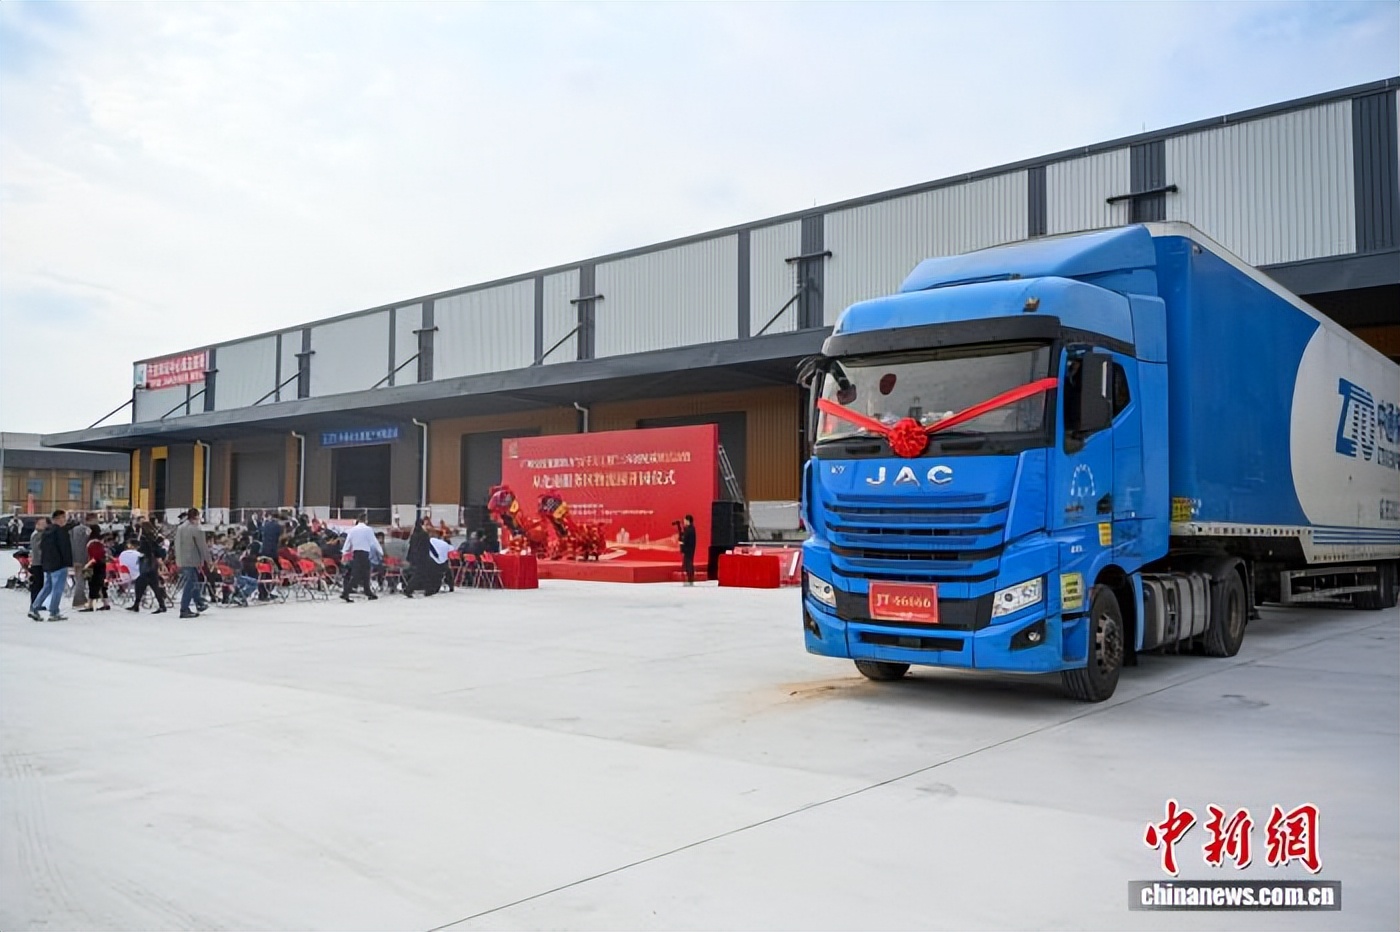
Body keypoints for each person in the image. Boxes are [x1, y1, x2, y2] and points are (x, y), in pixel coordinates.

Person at [29, 510, 74, 621]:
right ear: (59, 519)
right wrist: (68, 562)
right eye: (64, 518)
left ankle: (34, 608)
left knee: (47, 587)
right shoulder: (60, 532)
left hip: (48, 564)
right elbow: (64, 548)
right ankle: (53, 612)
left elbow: (42, 548)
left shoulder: (46, 532)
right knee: (57, 589)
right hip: (59, 564)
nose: (65, 520)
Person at [174, 508, 211, 619]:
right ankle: (184, 609)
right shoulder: (196, 529)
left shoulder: (180, 528)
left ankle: (199, 602)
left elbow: (177, 544)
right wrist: (208, 560)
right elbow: (202, 546)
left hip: (182, 559)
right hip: (192, 560)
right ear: (196, 517)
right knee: (190, 584)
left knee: (193, 582)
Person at [129, 521, 170, 614]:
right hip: (151, 564)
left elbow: (144, 550)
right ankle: (160, 605)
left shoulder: (144, 539)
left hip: (146, 563)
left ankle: (137, 604)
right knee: (152, 584)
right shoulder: (151, 538)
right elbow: (156, 550)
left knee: (141, 583)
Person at [339, 518, 379, 602]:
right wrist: (380, 551)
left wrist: (344, 551)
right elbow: (374, 541)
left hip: (356, 553)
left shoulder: (352, 530)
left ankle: (367, 592)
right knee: (360, 574)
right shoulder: (368, 529)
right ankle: (346, 592)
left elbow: (348, 541)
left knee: (363, 574)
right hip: (364, 553)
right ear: (365, 520)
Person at [79, 527, 112, 612]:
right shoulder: (99, 543)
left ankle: (90, 605)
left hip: (95, 566)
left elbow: (94, 557)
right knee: (101, 585)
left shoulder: (93, 543)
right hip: (101, 565)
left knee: (93, 585)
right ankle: (106, 603)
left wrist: (87, 565)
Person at [403, 519, 432, 598]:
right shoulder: (424, 535)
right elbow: (426, 547)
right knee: (420, 574)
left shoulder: (414, 535)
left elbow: (411, 547)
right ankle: (408, 589)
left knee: (420, 573)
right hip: (422, 557)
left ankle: (427, 589)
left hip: (414, 557)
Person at [70, 515, 91, 610]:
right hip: (84, 558)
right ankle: (78, 599)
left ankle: (81, 598)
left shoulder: (73, 530)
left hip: (75, 558)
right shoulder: (87, 530)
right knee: (82, 579)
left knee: (79, 578)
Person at [26, 516, 48, 603]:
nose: (45, 526)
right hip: (37, 563)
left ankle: (38, 602)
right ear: (37, 524)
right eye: (43, 524)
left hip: (40, 562)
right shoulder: (36, 535)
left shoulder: (41, 534)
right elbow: (37, 549)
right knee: (37, 584)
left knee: (40, 584)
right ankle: (35, 602)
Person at [678, 514, 698, 586]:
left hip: (688, 549)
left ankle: (690, 579)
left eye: (685, 520)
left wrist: (682, 544)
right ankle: (689, 579)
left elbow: (685, 539)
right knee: (687, 563)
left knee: (688, 563)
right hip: (689, 549)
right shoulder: (691, 529)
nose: (684, 522)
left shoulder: (690, 530)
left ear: (688, 521)